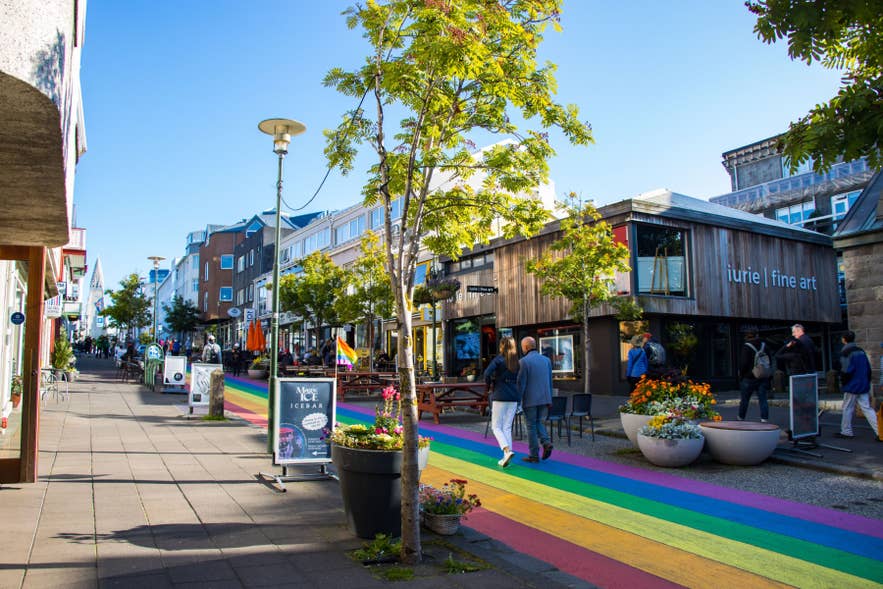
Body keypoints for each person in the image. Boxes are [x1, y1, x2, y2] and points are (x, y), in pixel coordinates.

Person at [483, 336, 521, 467]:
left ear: (502, 346)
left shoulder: (499, 359)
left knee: (496, 426)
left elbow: (486, 373)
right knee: (507, 427)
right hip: (514, 396)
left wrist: (489, 385)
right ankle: (506, 455)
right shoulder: (517, 361)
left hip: (500, 395)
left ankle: (506, 450)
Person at [836, 331, 880, 441]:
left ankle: (846, 431)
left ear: (844, 339)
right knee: (867, 408)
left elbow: (845, 370)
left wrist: (843, 383)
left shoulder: (845, 351)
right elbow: (868, 368)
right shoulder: (860, 351)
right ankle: (880, 431)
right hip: (863, 383)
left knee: (847, 407)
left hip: (852, 385)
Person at [516, 336, 554, 463]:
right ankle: (546, 442)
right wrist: (550, 399)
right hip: (544, 398)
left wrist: (518, 400)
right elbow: (550, 381)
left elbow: (522, 383)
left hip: (530, 399)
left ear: (526, 347)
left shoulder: (523, 362)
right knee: (539, 422)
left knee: (531, 426)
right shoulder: (546, 360)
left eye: (522, 347)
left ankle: (534, 455)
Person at [738, 330, 771, 422]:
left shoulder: (747, 346)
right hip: (762, 375)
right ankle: (764, 418)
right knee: (763, 399)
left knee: (745, 399)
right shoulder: (764, 346)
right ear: (757, 335)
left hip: (749, 377)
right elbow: (769, 360)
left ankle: (741, 417)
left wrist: (741, 375)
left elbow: (743, 363)